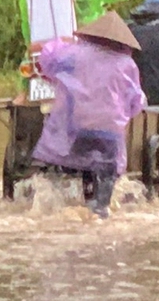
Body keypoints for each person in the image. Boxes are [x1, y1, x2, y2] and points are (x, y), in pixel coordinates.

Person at [29, 11, 147, 216]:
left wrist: (61, 42)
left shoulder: (75, 54)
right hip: (110, 134)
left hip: (79, 129)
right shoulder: (127, 64)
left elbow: (48, 60)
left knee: (73, 169)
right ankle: (100, 208)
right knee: (105, 181)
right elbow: (136, 101)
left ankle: (64, 208)